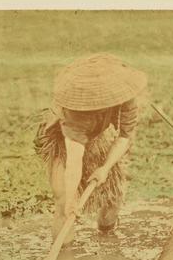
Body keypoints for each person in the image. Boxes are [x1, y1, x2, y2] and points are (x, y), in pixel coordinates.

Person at [34, 53, 147, 244]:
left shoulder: (124, 96)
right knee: (63, 202)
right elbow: (75, 158)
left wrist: (105, 168)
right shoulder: (76, 113)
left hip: (99, 137)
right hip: (63, 142)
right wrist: (72, 199)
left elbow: (124, 137)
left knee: (114, 194)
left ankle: (107, 237)